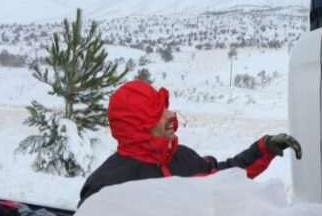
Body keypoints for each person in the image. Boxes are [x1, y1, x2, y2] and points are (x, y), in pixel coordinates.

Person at [79, 79, 301, 204]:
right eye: (158, 112)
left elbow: (223, 176)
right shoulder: (105, 186)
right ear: (138, 126)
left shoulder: (181, 158)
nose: (170, 115)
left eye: (165, 107)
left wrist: (263, 148)